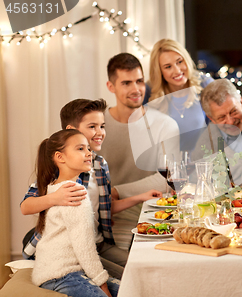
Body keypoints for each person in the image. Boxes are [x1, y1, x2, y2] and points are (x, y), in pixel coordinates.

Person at [21, 98, 162, 279]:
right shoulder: (60, 166)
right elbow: (26, 206)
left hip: (98, 243)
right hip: (71, 249)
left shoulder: (100, 164)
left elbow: (106, 207)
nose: (100, 132)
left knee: (144, 267)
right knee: (131, 278)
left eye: (102, 126)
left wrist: (141, 197)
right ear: (71, 130)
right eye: (92, 127)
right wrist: (55, 197)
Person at [99, 53, 180, 250]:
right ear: (111, 87)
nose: (136, 89)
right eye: (126, 83)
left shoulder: (165, 125)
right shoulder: (96, 125)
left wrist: (118, 191)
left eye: (139, 81)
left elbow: (167, 179)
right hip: (105, 218)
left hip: (151, 217)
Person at [31, 129, 120, 297]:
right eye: (80, 149)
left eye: (88, 148)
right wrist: (103, 284)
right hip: (60, 274)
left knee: (130, 290)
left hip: (70, 270)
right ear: (60, 157)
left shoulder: (57, 188)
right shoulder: (73, 193)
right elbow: (84, 247)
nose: (89, 153)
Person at [191, 78, 242, 188]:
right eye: (221, 117)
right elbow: (195, 182)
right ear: (212, 119)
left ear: (241, 103)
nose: (230, 121)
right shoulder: (206, 139)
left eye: (233, 111)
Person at [146, 38, 214, 153]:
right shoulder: (149, 91)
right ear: (159, 71)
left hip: (203, 164)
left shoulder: (205, 83)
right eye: (168, 67)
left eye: (179, 62)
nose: (177, 71)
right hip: (167, 166)